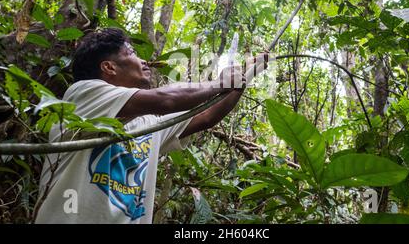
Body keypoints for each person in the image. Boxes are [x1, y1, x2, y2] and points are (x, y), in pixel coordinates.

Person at [34, 27, 267, 224]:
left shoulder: (149, 122)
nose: (144, 61)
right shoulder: (83, 95)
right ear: (109, 67)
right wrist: (220, 83)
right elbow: (167, 99)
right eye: (133, 53)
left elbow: (206, 117)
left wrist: (246, 76)